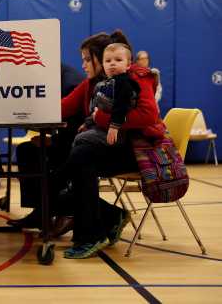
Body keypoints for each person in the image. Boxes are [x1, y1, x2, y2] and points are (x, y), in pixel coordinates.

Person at [58, 30, 164, 259]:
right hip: (111, 146)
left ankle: (92, 233)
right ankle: (104, 220)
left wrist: (101, 119)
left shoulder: (136, 76)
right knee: (73, 159)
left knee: (79, 158)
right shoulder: (95, 83)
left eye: (88, 59)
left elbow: (147, 115)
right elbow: (63, 106)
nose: (84, 65)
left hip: (137, 150)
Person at [6, 64, 85, 229]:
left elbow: (77, 125)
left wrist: (53, 141)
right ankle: (40, 211)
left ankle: (48, 211)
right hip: (67, 140)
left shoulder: (71, 83)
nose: (83, 64)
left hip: (77, 145)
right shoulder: (55, 76)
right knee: (26, 150)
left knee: (39, 155)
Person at [73, 42, 141, 148]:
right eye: (108, 61)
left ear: (128, 65)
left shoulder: (124, 82)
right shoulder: (104, 84)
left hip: (117, 133)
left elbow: (121, 105)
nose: (112, 63)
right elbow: (98, 108)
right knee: (80, 137)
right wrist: (88, 123)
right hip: (102, 127)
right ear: (103, 65)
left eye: (118, 60)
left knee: (80, 139)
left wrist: (114, 126)